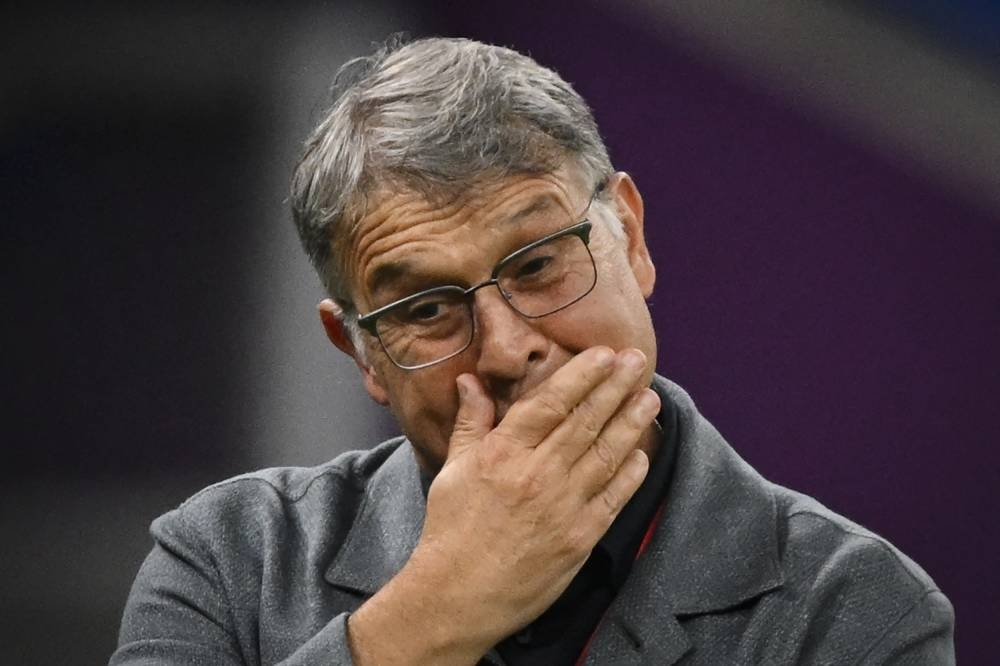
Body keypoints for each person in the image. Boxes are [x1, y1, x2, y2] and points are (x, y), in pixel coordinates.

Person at [111, 37, 955, 665]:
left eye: (540, 264)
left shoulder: (857, 611)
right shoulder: (232, 559)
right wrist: (437, 612)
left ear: (631, 238)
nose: (508, 349)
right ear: (361, 352)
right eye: (428, 309)